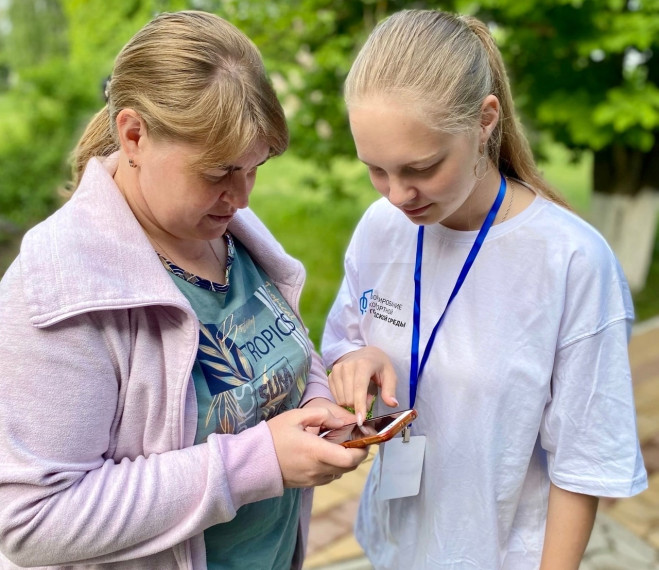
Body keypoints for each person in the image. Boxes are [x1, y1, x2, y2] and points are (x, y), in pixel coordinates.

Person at [0, 10, 367, 570]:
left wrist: (315, 398)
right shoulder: (58, 287)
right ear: (134, 135)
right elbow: (34, 521)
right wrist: (258, 463)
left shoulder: (225, 229)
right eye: (218, 171)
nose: (241, 196)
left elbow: (274, 345)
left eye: (255, 167)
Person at [322, 8, 648, 570]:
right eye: (376, 169)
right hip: (393, 549)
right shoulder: (381, 227)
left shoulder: (571, 261)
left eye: (422, 167)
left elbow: (584, 459)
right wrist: (357, 359)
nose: (398, 195)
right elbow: (344, 343)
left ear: (485, 119)